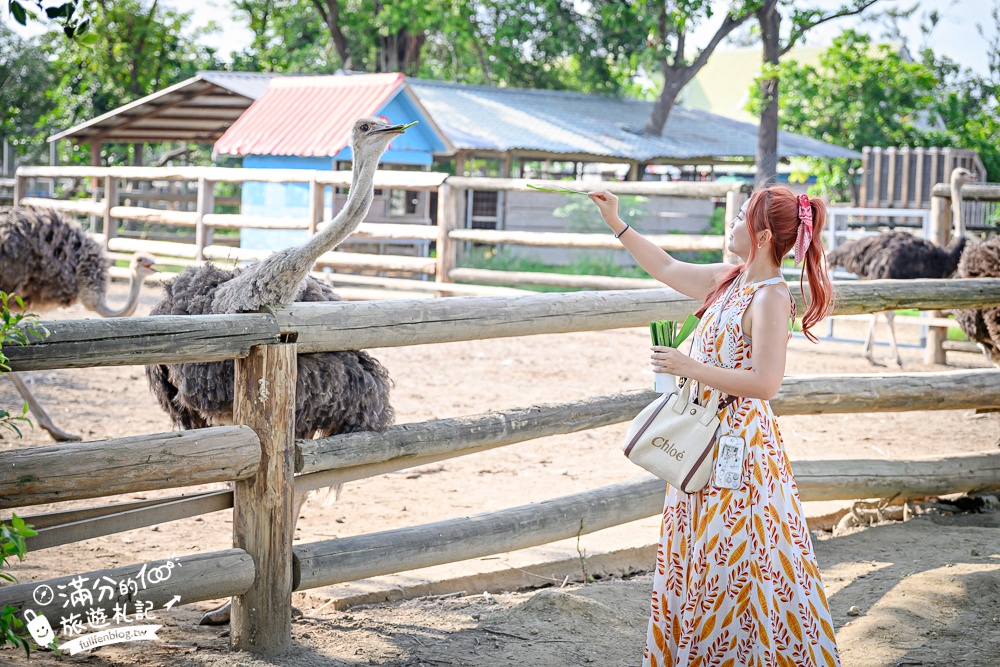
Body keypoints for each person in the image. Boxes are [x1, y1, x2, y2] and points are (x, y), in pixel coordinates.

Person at [588, 186, 839, 666]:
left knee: (737, 558)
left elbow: (766, 383)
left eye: (741, 216)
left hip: (739, 452)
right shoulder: (731, 279)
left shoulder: (770, 297)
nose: (732, 222)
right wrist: (616, 221)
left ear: (762, 235)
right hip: (703, 440)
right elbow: (664, 268)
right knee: (704, 556)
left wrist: (689, 367)